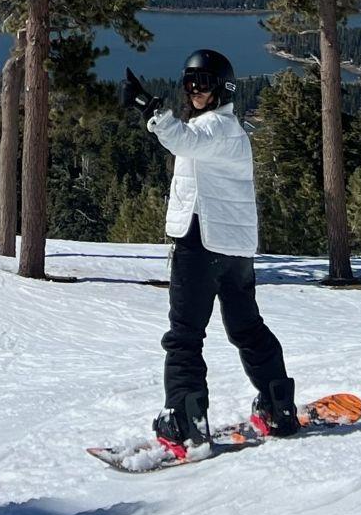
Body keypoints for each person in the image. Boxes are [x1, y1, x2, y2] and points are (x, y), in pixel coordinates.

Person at [122, 50, 300, 457]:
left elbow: (182, 139)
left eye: (202, 83)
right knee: (247, 329)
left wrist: (149, 109)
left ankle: (185, 421)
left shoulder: (219, 128)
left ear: (221, 87)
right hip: (232, 251)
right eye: (189, 83)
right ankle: (277, 405)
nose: (194, 91)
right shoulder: (223, 129)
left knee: (184, 335)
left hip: (201, 245)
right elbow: (188, 141)